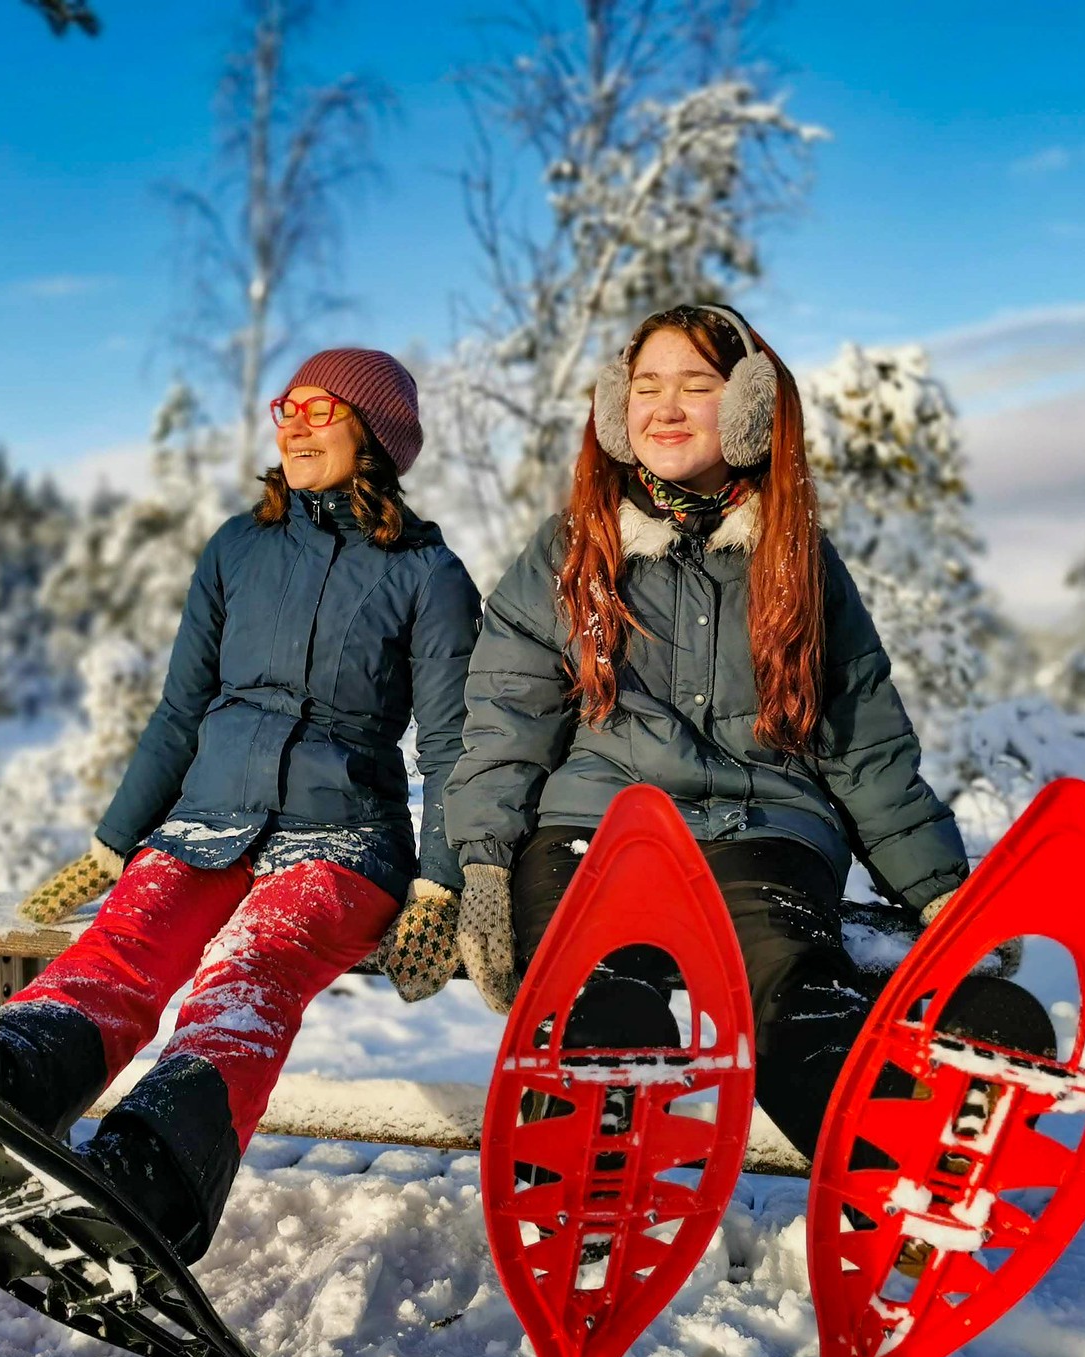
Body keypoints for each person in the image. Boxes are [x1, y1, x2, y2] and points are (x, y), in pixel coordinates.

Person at [445, 304, 1047, 1160]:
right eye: (646, 387)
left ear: (752, 408)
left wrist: (942, 892)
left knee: (793, 999)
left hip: (762, 830)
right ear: (618, 411)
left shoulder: (797, 560)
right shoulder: (569, 553)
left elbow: (862, 742)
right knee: (595, 983)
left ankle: (901, 1155)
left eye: (697, 386)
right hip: (598, 830)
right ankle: (583, 1150)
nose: (666, 406)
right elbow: (506, 721)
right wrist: (482, 861)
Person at [0, 348, 481, 1260]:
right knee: (125, 941)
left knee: (251, 967)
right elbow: (182, 708)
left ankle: (155, 1175)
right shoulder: (237, 548)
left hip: (344, 839)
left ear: (373, 434)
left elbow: (454, 745)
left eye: (319, 409)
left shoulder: (429, 575)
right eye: (284, 407)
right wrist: (114, 843)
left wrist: (437, 882)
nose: (293, 424)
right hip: (205, 820)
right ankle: (7, 1081)